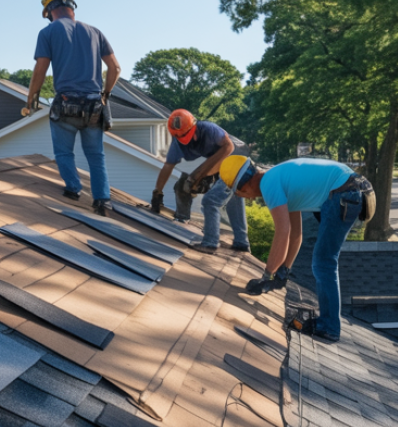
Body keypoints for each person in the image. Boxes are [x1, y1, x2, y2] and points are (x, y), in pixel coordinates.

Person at [222, 155, 374, 343]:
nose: (248, 199)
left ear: (243, 187)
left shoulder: (268, 184)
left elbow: (282, 233)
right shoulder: (278, 179)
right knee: (323, 261)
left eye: (241, 195)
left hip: (345, 193)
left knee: (323, 262)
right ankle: (328, 323)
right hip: (349, 189)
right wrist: (284, 270)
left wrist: (267, 276)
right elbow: (295, 234)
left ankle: (329, 327)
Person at [27, 0, 121, 216]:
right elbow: (115, 68)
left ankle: (73, 189)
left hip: (66, 103)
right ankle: (102, 200)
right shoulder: (95, 32)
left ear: (50, 11)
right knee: (96, 155)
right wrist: (105, 94)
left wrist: (32, 98)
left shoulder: (48, 32)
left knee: (64, 152)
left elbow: (41, 69)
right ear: (72, 7)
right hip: (93, 105)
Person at [150, 110, 250, 254]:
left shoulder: (209, 129)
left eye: (185, 135)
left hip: (238, 161)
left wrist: (202, 174)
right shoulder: (178, 143)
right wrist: (157, 192)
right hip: (223, 164)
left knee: (211, 200)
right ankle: (242, 243)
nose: (183, 139)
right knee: (233, 198)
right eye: (178, 136)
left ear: (193, 127)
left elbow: (229, 147)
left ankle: (210, 243)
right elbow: (168, 166)